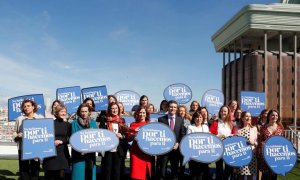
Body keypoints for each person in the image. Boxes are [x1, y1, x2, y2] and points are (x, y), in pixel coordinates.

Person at [13, 99, 44, 180]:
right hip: (23, 148)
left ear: (33, 107)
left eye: (28, 106)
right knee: (24, 170)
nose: (26, 108)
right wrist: (18, 135)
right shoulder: (19, 119)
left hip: (36, 148)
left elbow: (45, 132)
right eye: (24, 106)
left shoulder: (40, 118)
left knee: (35, 170)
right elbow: (14, 133)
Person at [99, 102, 128, 180]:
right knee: (107, 171)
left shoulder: (121, 120)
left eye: (116, 108)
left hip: (118, 150)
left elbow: (125, 134)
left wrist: (122, 136)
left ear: (118, 110)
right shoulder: (104, 119)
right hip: (107, 149)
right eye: (112, 108)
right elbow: (100, 133)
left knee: (116, 172)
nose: (114, 110)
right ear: (109, 109)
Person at [158, 100, 186, 180]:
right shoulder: (161, 119)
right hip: (164, 150)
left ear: (176, 108)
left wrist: (178, 143)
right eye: (171, 107)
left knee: (174, 173)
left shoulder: (180, 119)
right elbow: (159, 134)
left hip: (175, 150)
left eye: (174, 107)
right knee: (162, 173)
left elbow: (182, 133)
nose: (172, 108)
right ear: (167, 108)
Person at [71, 103, 97, 180]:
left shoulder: (93, 123)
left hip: (91, 154)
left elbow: (96, 137)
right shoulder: (74, 123)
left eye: (86, 111)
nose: (84, 113)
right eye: (82, 111)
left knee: (90, 174)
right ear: (79, 112)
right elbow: (73, 139)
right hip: (79, 154)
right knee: (79, 175)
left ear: (89, 112)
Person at [43, 105, 70, 180]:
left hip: (63, 154)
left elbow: (71, 139)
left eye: (65, 112)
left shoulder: (68, 125)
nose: (64, 113)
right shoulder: (49, 123)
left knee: (61, 177)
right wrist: (52, 141)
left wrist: (62, 141)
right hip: (50, 153)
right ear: (57, 112)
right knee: (49, 176)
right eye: (62, 111)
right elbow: (44, 137)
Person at [210, 105, 234, 180]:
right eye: (222, 111)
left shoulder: (231, 123)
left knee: (228, 168)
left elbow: (233, 134)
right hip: (218, 148)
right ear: (219, 112)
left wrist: (230, 137)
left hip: (229, 148)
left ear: (228, 113)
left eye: (225, 111)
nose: (223, 112)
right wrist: (218, 136)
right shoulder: (215, 122)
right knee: (219, 168)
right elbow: (210, 134)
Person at [127, 106, 152, 180]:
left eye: (143, 112)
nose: (142, 114)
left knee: (145, 174)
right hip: (135, 151)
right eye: (140, 112)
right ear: (137, 113)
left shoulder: (150, 125)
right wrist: (134, 133)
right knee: (135, 174)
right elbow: (128, 139)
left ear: (146, 114)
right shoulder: (132, 124)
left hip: (146, 152)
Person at [259, 109, 284, 180]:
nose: (275, 117)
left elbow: (283, 142)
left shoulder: (280, 128)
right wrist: (262, 144)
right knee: (265, 176)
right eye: (273, 115)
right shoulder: (263, 128)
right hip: (266, 157)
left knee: (274, 176)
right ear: (269, 116)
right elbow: (259, 140)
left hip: (276, 157)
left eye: (276, 115)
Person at [187, 111, 210, 180]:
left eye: (200, 117)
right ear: (194, 118)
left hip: (204, 154)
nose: (198, 119)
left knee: (201, 174)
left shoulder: (205, 127)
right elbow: (189, 139)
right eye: (197, 117)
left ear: (202, 118)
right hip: (193, 154)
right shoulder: (190, 127)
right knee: (193, 174)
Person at [236, 111, 257, 180]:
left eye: (250, 116)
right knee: (240, 175)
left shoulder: (254, 128)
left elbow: (257, 142)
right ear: (242, 118)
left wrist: (253, 143)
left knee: (250, 175)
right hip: (241, 155)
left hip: (251, 155)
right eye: (246, 116)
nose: (249, 118)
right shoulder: (237, 129)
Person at [177, 105, 191, 176]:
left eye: (183, 110)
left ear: (185, 111)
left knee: (183, 161)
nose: (182, 112)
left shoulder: (188, 120)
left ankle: (182, 175)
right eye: (180, 110)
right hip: (177, 143)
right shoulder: (176, 119)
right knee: (176, 161)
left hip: (185, 144)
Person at [255, 109, 269, 180]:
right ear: (262, 114)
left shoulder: (270, 124)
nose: (266, 115)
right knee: (259, 167)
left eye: (267, 113)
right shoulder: (257, 124)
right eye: (265, 113)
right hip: (260, 148)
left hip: (269, 148)